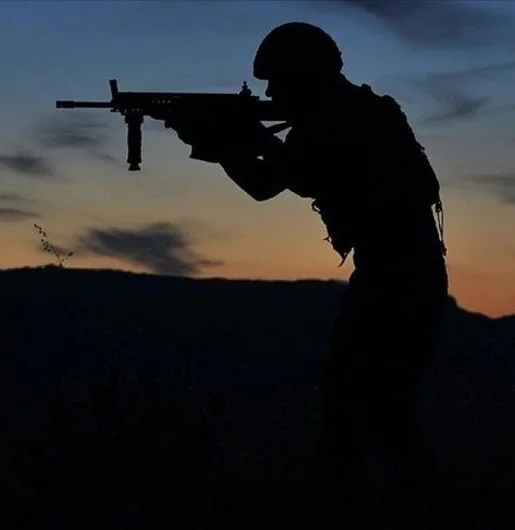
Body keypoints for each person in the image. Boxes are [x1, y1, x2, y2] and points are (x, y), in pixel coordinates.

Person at [161, 22, 450, 526]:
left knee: (368, 411)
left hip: (397, 277)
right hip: (398, 274)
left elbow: (267, 183)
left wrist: (221, 141)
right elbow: (278, 177)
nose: (270, 93)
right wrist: (225, 140)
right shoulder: (350, 113)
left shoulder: (337, 120)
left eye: (277, 82)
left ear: (305, 76)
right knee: (370, 410)